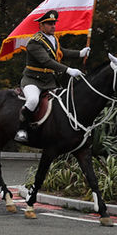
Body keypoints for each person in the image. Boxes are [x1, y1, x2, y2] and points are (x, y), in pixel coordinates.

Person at [14, 9, 88, 143]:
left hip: (49, 81)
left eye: (54, 23)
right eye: (49, 23)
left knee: (62, 102)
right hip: (33, 80)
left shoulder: (53, 39)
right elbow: (46, 61)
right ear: (41, 26)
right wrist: (68, 70)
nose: (53, 26)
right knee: (32, 101)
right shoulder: (34, 42)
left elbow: (60, 52)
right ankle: (22, 129)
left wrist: (80, 53)